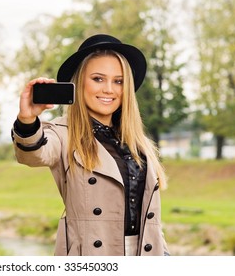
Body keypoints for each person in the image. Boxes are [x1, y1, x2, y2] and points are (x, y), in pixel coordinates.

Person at [11, 34, 170, 256]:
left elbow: (150, 217)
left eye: (118, 81)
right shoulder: (63, 134)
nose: (109, 89)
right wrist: (27, 120)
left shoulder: (136, 142)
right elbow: (33, 154)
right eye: (98, 79)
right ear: (79, 83)